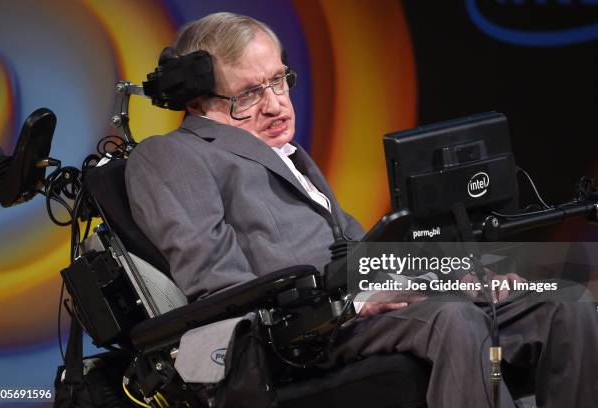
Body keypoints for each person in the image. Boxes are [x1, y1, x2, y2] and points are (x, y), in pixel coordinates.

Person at [125, 12, 598, 408]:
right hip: (299, 337)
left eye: (278, 81)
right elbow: (220, 285)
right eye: (249, 94)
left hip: (354, 310)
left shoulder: (287, 156)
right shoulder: (172, 156)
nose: (276, 105)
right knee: (452, 318)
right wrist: (351, 305)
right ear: (198, 100)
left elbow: (359, 253)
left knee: (564, 304)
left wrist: (458, 277)